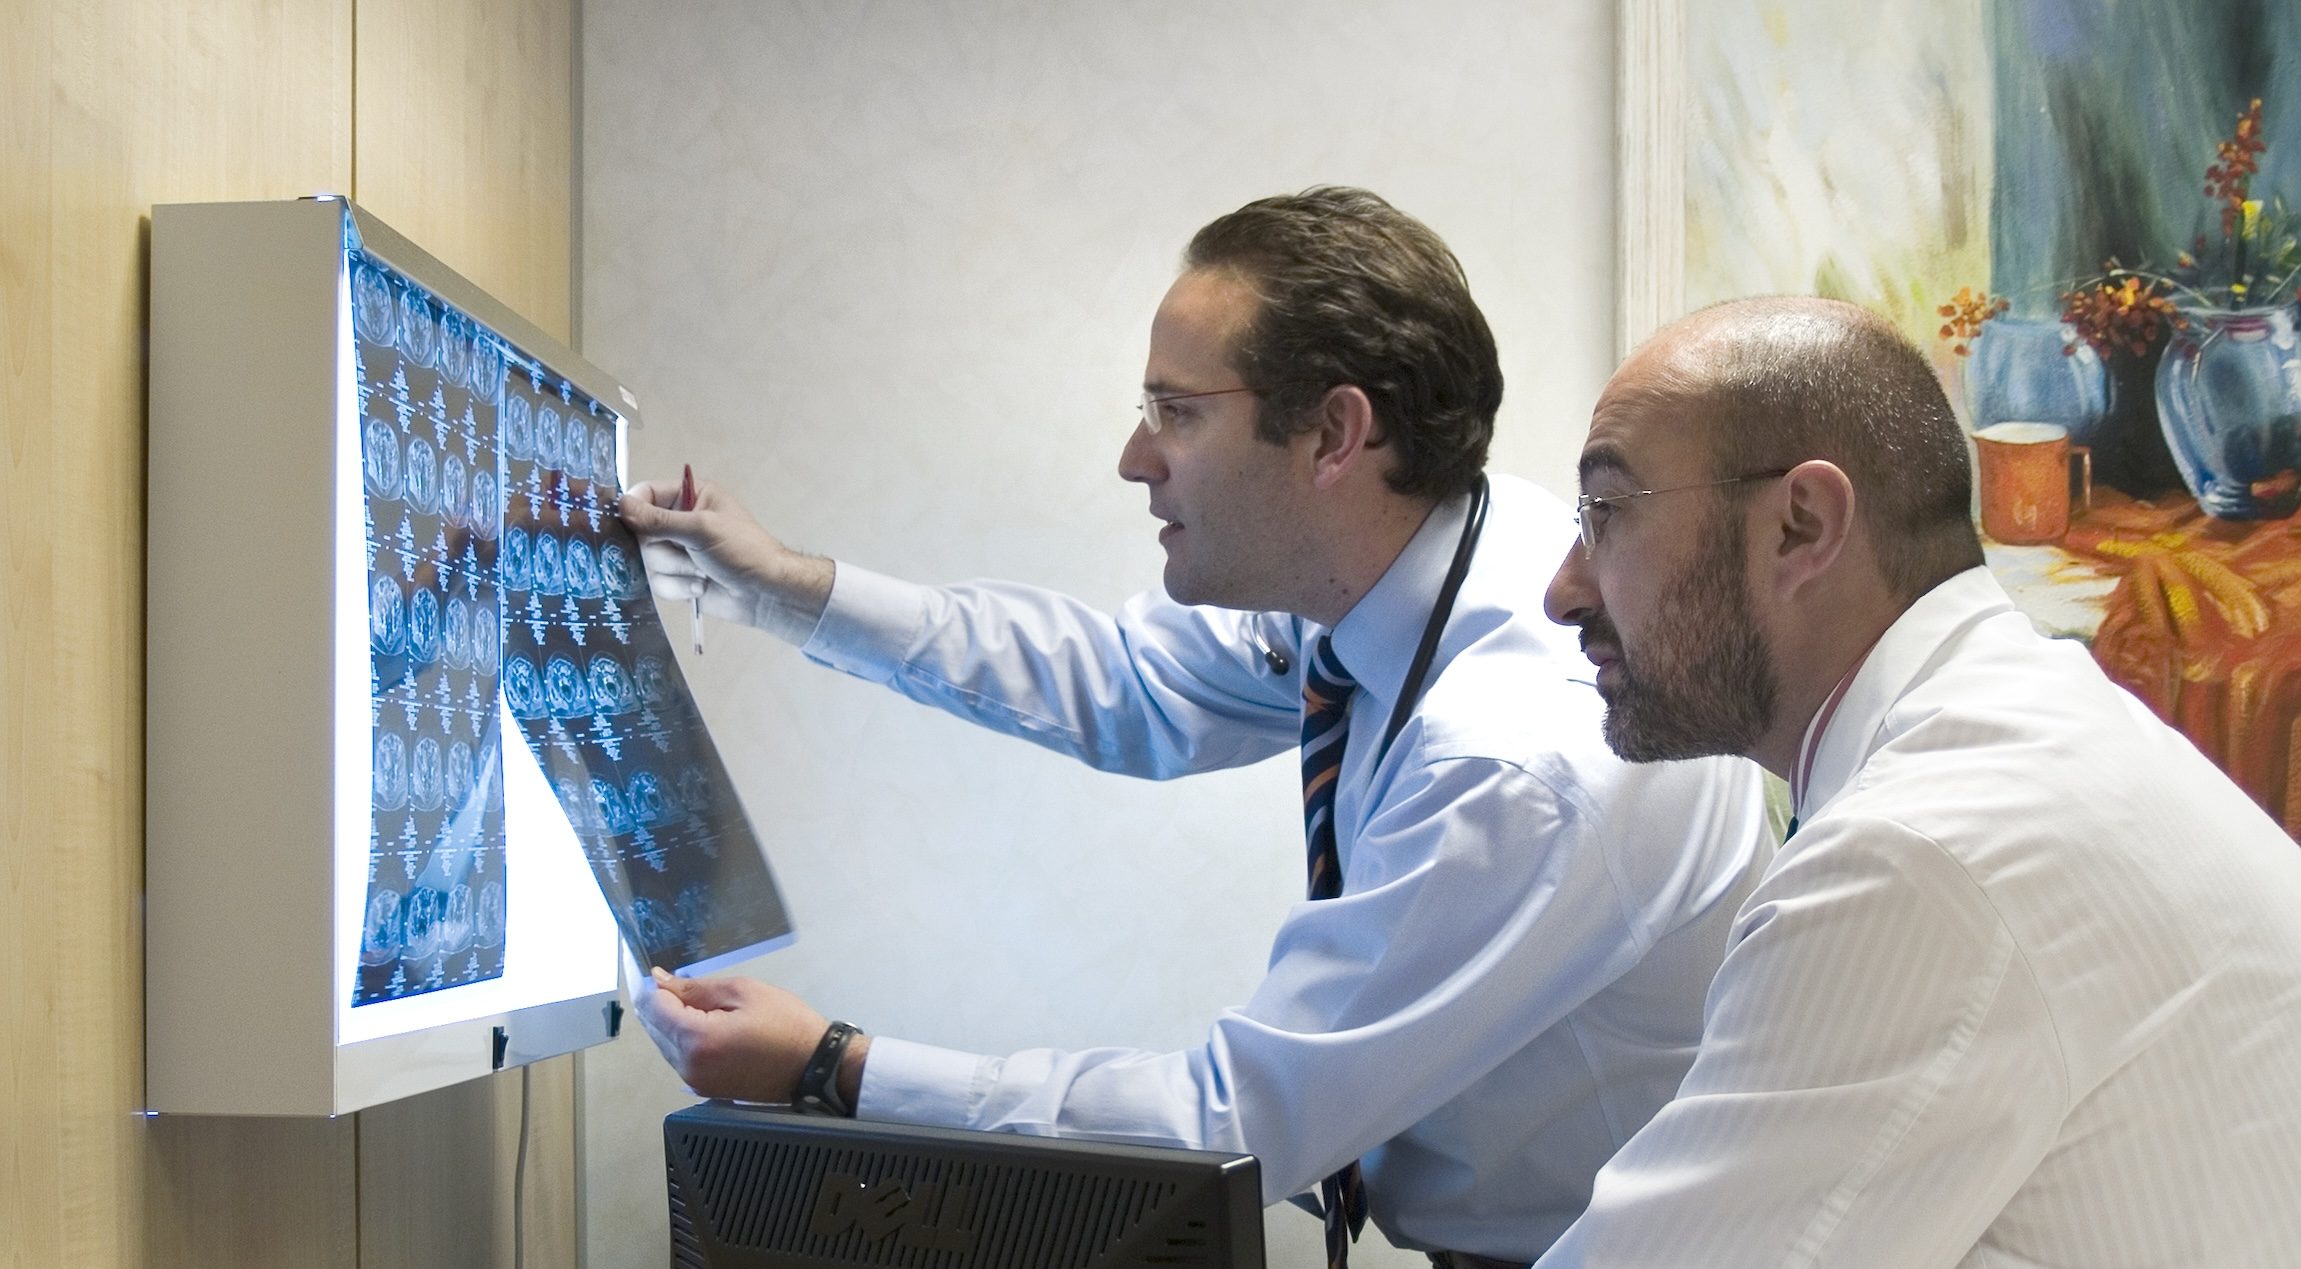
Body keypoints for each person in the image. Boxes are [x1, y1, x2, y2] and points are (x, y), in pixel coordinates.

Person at [620, 187, 1771, 1267]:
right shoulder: (1431, 558)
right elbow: (1125, 681)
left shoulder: (1516, 758)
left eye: (1176, 413)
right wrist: (782, 587)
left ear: (1334, 436)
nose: (1136, 460)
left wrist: (833, 1067)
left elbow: (1232, 1124)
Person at [1536, 295, 2301, 1266]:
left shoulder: (1915, 856)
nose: (1563, 590)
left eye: (1605, 514)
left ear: (1800, 526)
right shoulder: (2022, 722)